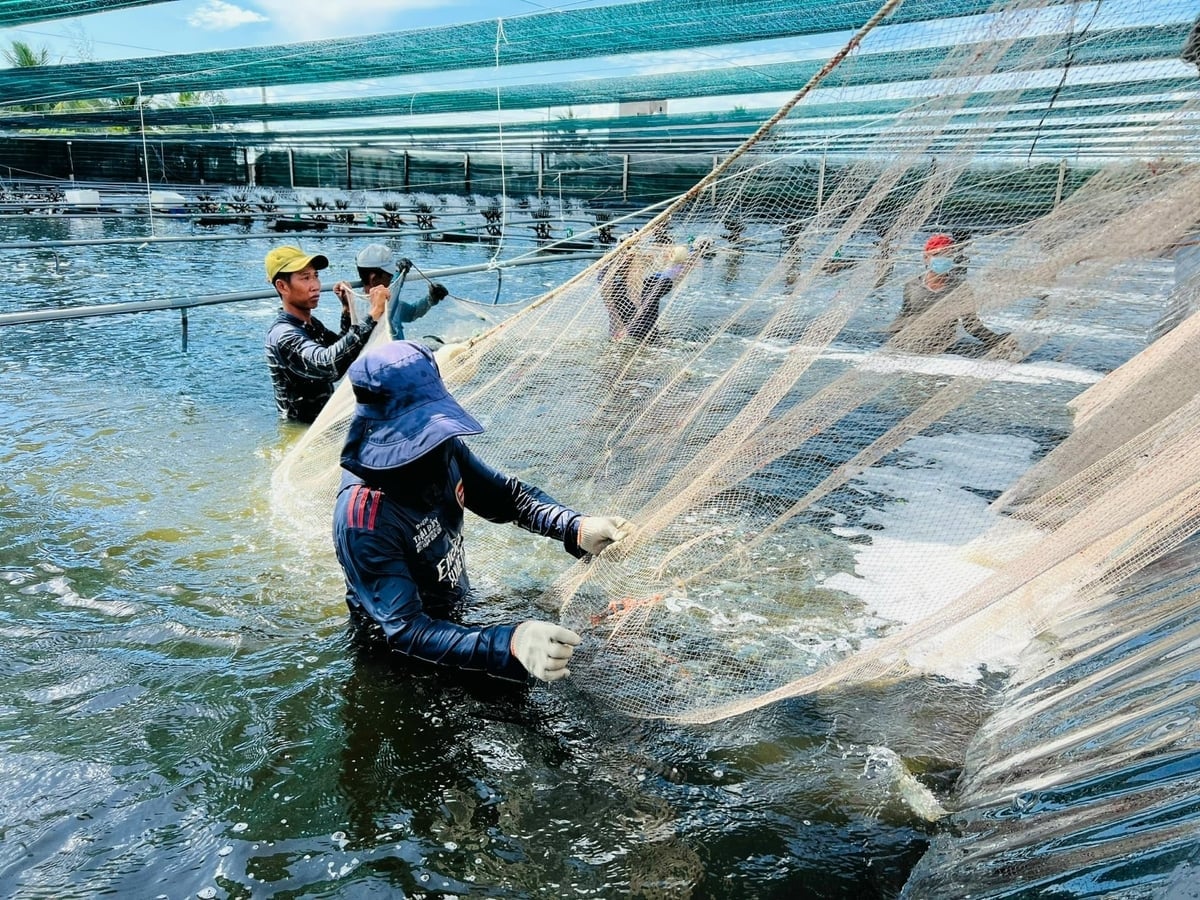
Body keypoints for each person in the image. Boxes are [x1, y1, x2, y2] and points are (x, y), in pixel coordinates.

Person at [332, 339, 633, 683]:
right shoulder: (364, 519)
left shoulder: (443, 450)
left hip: (457, 609)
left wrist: (574, 527)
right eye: (418, 435)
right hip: (405, 659)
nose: (430, 445)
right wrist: (510, 643)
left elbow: (508, 499)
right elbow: (405, 631)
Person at [264, 244, 386, 424]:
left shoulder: (309, 324)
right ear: (282, 286)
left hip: (323, 422)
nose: (315, 286)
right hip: (303, 434)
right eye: (305, 278)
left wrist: (346, 309)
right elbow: (329, 365)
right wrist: (373, 313)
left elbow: (343, 350)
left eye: (316, 276)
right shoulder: (283, 335)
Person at [887, 232, 1010, 355]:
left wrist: (996, 340)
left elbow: (971, 324)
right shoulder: (912, 285)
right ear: (926, 257)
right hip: (913, 345)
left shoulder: (960, 287)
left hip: (945, 349)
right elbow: (904, 315)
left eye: (948, 255)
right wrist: (888, 338)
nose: (942, 258)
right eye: (937, 254)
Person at [332, 243, 448, 342]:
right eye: (389, 275)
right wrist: (399, 275)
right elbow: (389, 305)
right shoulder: (358, 309)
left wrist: (431, 299)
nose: (392, 278)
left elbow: (412, 313)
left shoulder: (391, 299)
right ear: (374, 279)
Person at [599, 239, 707, 341]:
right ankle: (635, 331)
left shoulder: (675, 268)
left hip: (657, 287)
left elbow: (686, 264)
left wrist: (695, 251)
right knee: (640, 309)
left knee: (641, 309)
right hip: (651, 290)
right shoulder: (671, 268)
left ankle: (631, 332)